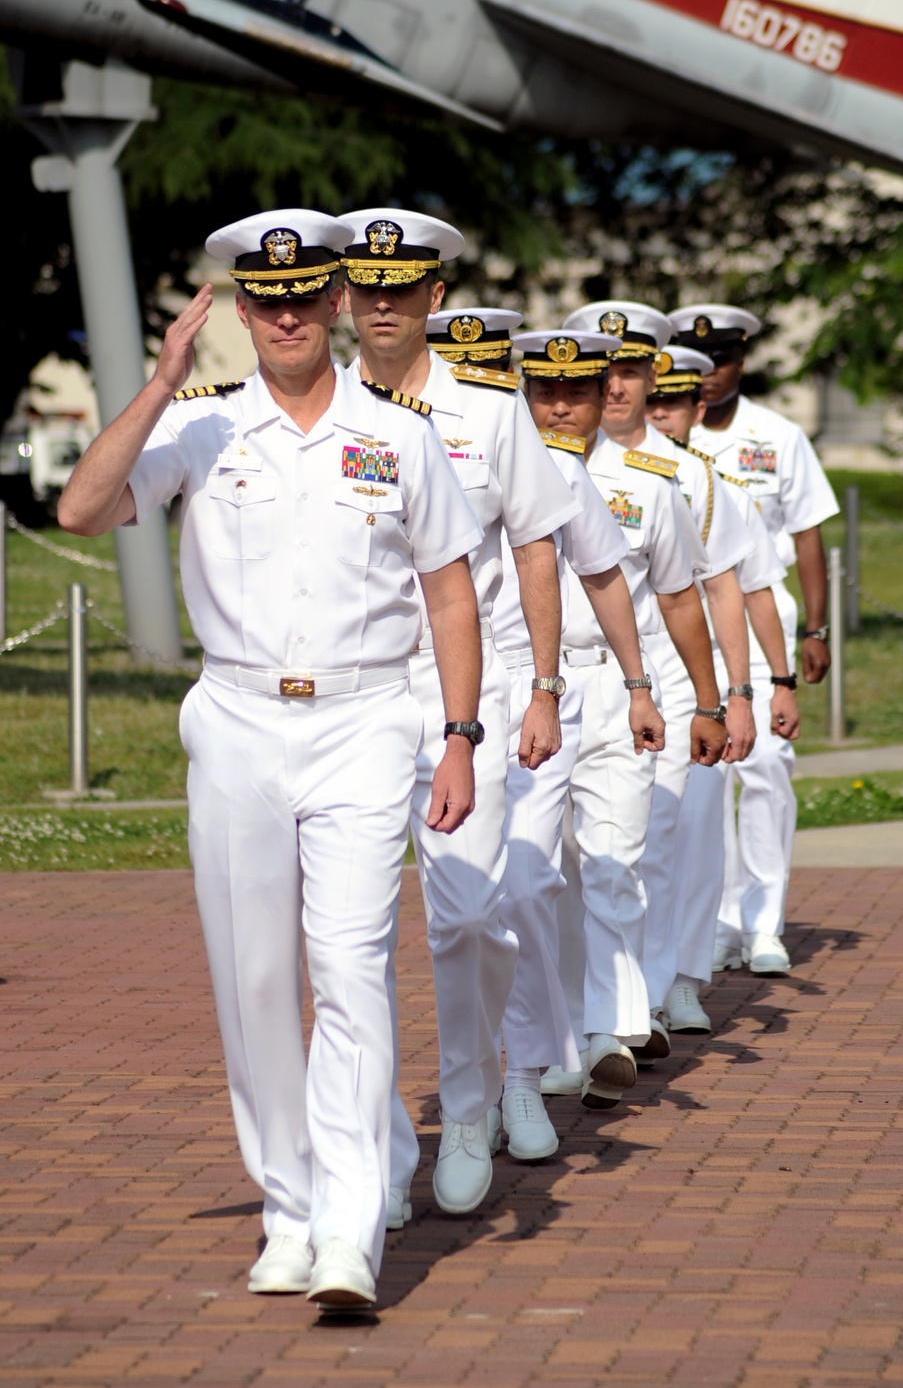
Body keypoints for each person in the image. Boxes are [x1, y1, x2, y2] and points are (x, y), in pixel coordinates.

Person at [57, 211, 486, 1313]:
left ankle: (348, 1228)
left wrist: (459, 735)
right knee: (254, 984)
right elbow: (83, 505)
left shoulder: (400, 434)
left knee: (348, 970)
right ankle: (287, 1210)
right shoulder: (200, 426)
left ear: (337, 303)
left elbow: (447, 590)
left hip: (363, 722)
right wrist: (156, 386)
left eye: (307, 299)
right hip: (239, 721)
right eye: (267, 301)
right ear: (242, 312)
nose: (288, 317)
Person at [339, 211, 581, 1216]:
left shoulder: (489, 411)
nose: (385, 302)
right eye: (368, 285)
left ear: (435, 296)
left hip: (461, 699)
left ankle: (477, 1100)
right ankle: (377, 1151)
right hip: (351, 700)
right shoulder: (321, 408)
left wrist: (542, 687)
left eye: (405, 285)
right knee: (347, 938)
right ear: (345, 296)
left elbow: (533, 545)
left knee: (472, 912)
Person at [514, 330, 723, 1108]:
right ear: (525, 394)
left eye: (577, 390)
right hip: (522, 689)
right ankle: (561, 1030)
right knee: (540, 872)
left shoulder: (650, 480)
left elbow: (677, 597)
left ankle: (606, 1028)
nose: (561, 404)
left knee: (612, 859)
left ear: (608, 394)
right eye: (544, 390)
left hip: (611, 686)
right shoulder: (495, 473)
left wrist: (703, 698)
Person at [476, 320, 665, 1156]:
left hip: (543, 689)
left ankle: (561, 1053)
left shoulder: (566, 470)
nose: (557, 403)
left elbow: (607, 575)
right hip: (422, 692)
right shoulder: (395, 440)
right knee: (467, 906)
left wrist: (640, 685)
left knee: (546, 873)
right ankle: (495, 1073)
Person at [564, 303, 758, 1055]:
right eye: (601, 369)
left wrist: (735, 694)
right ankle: (604, 1001)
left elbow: (716, 589)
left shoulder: (685, 475)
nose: (615, 385)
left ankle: (655, 988)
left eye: (630, 369)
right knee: (579, 856)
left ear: (654, 376)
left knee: (667, 833)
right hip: (570, 671)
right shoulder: (542, 460)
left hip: (669, 673)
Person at [670, 304, 839, 975]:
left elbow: (809, 533)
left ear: (742, 362)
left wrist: (817, 631)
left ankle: (764, 921)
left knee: (767, 769)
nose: (710, 375)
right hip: (686, 630)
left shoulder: (777, 434)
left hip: (763, 620)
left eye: (723, 361)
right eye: (695, 361)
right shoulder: (660, 431)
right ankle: (718, 918)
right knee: (704, 783)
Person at [645, 345, 800, 1030]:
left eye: (673, 401)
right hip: (618, 672)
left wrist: (760, 684)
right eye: (652, 398)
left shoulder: (710, 482)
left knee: (698, 827)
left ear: (695, 407)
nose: (660, 413)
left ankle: (681, 975)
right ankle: (622, 986)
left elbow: (746, 588)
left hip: (694, 676)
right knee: (622, 840)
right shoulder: (584, 469)